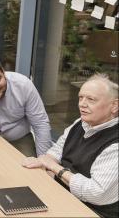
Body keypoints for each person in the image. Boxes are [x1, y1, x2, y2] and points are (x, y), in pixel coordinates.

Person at [22, 74, 118, 218]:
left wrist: (56, 169)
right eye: (81, 98)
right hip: (61, 193)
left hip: (91, 210)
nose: (82, 104)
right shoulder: (81, 122)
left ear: (114, 106)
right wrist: (44, 161)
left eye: (91, 99)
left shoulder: (115, 144)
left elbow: (95, 193)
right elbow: (58, 149)